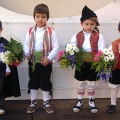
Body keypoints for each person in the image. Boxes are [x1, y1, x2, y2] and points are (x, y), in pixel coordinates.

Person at [24, 4, 59, 114]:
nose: (40, 19)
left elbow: (56, 46)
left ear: (47, 18)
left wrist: (48, 59)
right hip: (33, 61)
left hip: (45, 62)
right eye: (38, 16)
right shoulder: (30, 31)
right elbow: (26, 43)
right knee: (33, 80)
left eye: (43, 17)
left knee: (45, 81)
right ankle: (33, 102)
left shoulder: (51, 31)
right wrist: (27, 53)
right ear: (34, 17)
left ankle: (46, 102)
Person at [70, 5, 105, 113]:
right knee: (81, 83)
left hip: (93, 63)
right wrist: (72, 55)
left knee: (91, 83)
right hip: (81, 63)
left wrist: (100, 60)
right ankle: (79, 101)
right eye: (87, 24)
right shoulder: (76, 36)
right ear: (82, 24)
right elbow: (72, 47)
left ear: (95, 24)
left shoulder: (99, 36)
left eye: (92, 24)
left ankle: (91, 101)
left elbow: (102, 49)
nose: (89, 26)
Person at [0, 21, 21, 115]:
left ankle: (0, 105)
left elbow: (10, 57)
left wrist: (8, 69)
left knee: (1, 87)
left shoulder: (5, 43)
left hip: (1, 69)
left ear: (1, 30)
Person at [107, 22, 120, 114]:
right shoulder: (114, 44)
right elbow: (107, 54)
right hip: (116, 69)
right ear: (119, 31)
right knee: (114, 87)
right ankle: (113, 104)